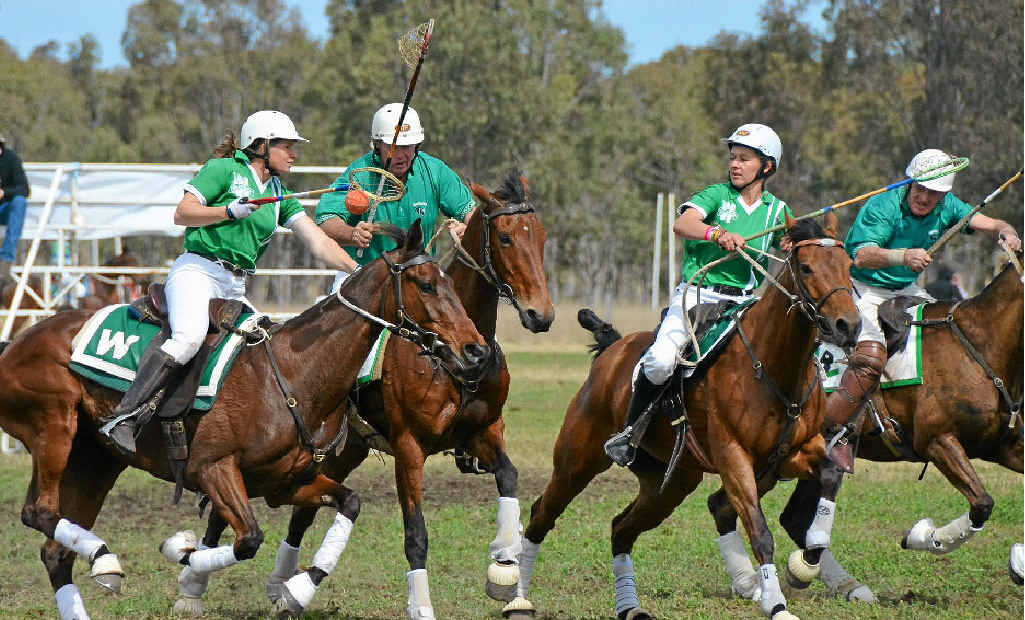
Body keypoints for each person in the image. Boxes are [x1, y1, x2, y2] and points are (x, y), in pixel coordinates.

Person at [100, 110, 359, 455]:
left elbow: (319, 243)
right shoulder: (224, 170)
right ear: (262, 145)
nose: (294, 154)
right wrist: (228, 211)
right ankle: (125, 417)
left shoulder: (279, 192)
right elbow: (183, 213)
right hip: (198, 271)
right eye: (287, 146)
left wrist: (359, 272)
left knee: (260, 349)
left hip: (234, 286)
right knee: (189, 338)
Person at [604, 123, 793, 467]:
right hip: (697, 297)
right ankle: (630, 433)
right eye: (733, 158)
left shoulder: (778, 212)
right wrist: (716, 233)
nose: (735, 164)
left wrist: (800, 241)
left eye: (745, 159)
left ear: (766, 167)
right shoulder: (716, 195)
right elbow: (683, 224)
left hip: (745, 305)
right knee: (661, 360)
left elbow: (793, 244)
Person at [825, 148, 1022, 432]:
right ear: (910, 182)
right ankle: (838, 430)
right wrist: (903, 256)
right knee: (872, 352)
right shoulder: (884, 206)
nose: (925, 198)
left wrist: (1007, 233)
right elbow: (862, 256)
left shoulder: (948, 206)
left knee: (946, 336)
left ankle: (933, 414)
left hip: (904, 288)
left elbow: (992, 224)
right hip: (863, 288)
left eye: (934, 193)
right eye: (920, 188)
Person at [315, 103, 475, 292]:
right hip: (363, 275)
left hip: (420, 276)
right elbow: (326, 220)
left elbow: (471, 213)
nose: (400, 155)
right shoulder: (360, 173)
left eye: (406, 147)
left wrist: (469, 231)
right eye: (392, 147)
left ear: (417, 145)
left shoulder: (435, 170)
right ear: (377, 145)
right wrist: (352, 234)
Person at [0, 134, 29, 281]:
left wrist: (4, 192)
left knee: (20, 202)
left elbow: (24, 189)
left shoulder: (12, 159)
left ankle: (6, 258)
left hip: (5, 208)